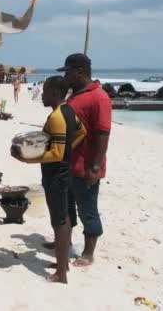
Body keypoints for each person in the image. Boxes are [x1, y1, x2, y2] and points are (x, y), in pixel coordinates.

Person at [11, 76, 86, 284]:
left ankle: (61, 274)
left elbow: (57, 154)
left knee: (59, 220)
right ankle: (63, 265)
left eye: (44, 92)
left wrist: (28, 159)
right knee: (65, 215)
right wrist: (68, 147)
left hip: (57, 174)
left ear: (54, 92)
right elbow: (82, 131)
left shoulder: (57, 117)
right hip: (65, 171)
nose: (41, 95)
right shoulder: (69, 111)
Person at [59, 53, 112, 267]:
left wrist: (96, 166)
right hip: (68, 163)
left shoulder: (99, 97)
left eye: (68, 72)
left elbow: (103, 133)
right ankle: (65, 241)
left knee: (87, 209)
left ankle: (88, 252)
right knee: (66, 207)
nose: (66, 76)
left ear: (80, 71)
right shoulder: (75, 95)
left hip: (85, 166)